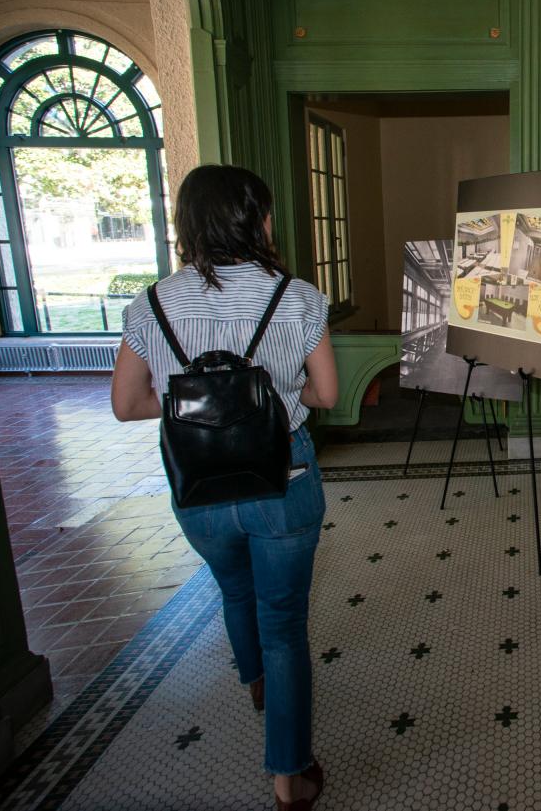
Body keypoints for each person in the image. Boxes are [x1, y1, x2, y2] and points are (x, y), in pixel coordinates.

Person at [111, 164, 338, 811]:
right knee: (284, 624)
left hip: (199, 484)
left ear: (187, 224)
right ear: (259, 220)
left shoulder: (151, 305)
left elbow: (127, 404)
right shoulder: (297, 297)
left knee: (235, 589)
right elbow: (325, 393)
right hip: (284, 478)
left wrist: (200, 408)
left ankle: (257, 682)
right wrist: (273, 400)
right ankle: (289, 777)